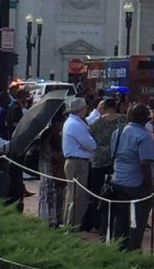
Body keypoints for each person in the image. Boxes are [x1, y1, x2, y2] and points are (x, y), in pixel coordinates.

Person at [108, 104, 154, 251]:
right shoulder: (144, 136)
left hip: (118, 179)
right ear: (145, 119)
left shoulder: (118, 132)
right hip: (136, 183)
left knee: (120, 217)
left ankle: (118, 247)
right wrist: (150, 183)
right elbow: (145, 163)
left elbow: (113, 153)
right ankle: (134, 249)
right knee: (138, 220)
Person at [83, 97, 124, 234]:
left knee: (97, 191)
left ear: (104, 108)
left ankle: (98, 221)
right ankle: (114, 222)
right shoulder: (123, 121)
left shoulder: (97, 123)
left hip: (98, 160)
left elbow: (90, 138)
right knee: (115, 193)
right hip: (116, 160)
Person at [62, 96, 97, 229]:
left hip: (74, 160)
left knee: (72, 194)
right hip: (78, 162)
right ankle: (73, 226)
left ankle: (69, 224)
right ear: (82, 109)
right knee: (77, 196)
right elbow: (91, 145)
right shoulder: (76, 125)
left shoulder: (71, 122)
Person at [37, 109, 67, 228]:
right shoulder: (52, 136)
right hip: (51, 170)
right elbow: (53, 154)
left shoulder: (47, 134)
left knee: (48, 195)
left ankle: (48, 218)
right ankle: (51, 219)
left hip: (46, 169)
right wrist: (62, 154)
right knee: (52, 195)